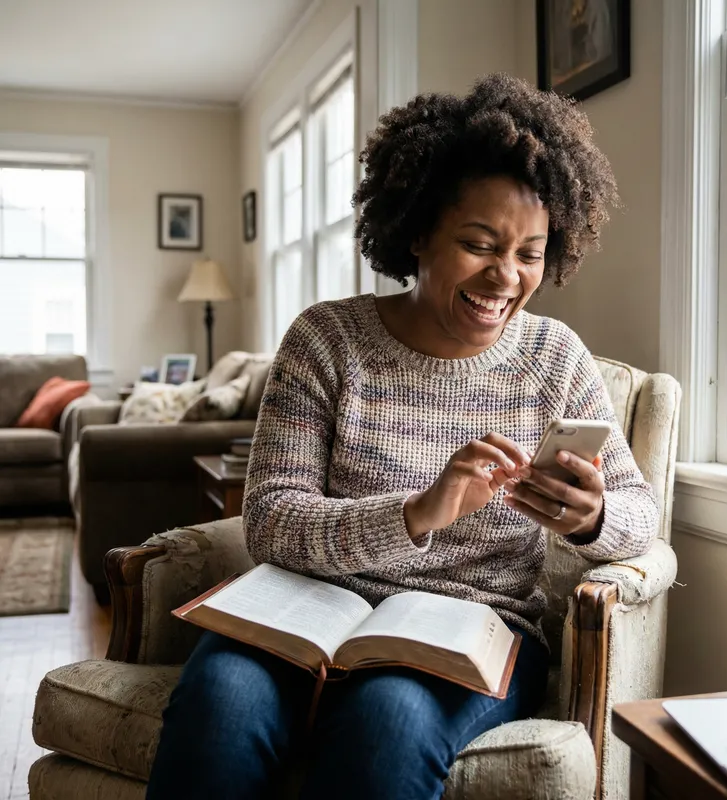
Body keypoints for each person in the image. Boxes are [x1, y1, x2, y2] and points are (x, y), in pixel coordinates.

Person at [147, 73, 658, 800]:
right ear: (417, 230)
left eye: (530, 253)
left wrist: (596, 516)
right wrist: (419, 511)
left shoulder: (554, 358)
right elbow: (269, 520)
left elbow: (641, 513)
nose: (505, 277)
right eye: (479, 244)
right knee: (221, 704)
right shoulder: (328, 340)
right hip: (302, 614)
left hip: (473, 632)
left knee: (385, 722)